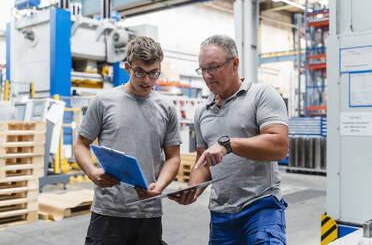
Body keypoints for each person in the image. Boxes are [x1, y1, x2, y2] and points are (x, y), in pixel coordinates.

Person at [169, 35, 289, 245]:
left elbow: (279, 146)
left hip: (260, 207)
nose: (207, 76)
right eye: (202, 69)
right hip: (221, 214)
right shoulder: (202, 112)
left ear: (235, 63)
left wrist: (229, 145)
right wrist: (193, 189)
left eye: (213, 67)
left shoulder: (261, 95)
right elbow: (202, 161)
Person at [74, 36, 182, 245]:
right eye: (140, 72)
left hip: (148, 211)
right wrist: (92, 172)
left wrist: (159, 186)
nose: (147, 80)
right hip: (109, 211)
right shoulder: (104, 102)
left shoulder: (167, 108)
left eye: (154, 73)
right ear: (127, 67)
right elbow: (81, 145)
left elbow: (173, 157)